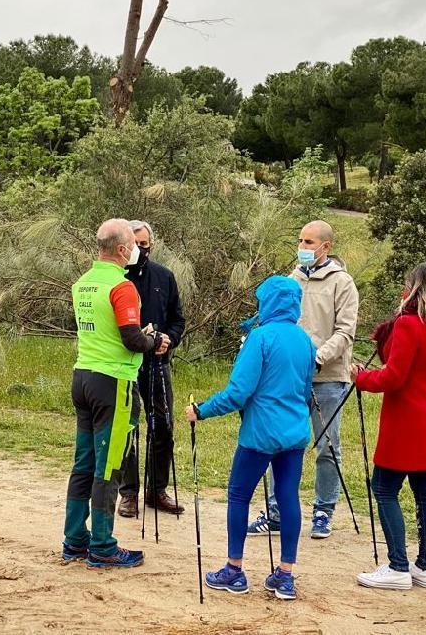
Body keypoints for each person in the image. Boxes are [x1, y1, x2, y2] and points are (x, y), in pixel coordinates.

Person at [185, 275, 317, 601]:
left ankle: (234, 569)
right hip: (295, 432)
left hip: (260, 434)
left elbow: (238, 393)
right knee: (288, 497)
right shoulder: (305, 340)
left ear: (267, 302)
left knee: (239, 494)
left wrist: (201, 410)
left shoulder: (259, 337)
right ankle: (285, 575)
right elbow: (304, 391)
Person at [62, 218, 169, 569]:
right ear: (123, 249)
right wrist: (155, 341)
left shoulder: (83, 283)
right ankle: (103, 546)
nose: (137, 250)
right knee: (109, 466)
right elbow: (131, 339)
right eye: (133, 245)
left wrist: (141, 336)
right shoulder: (122, 287)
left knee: (84, 462)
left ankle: (74, 540)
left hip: (83, 376)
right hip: (114, 381)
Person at [350, 261, 426, 590]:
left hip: (408, 419)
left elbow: (394, 377)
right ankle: (425, 567)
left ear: (416, 287)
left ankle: (398, 566)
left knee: (384, 488)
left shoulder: (409, 324)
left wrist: (362, 378)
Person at [248, 220, 359, 541]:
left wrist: (316, 358)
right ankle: (276, 512)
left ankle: (323, 511)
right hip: (289, 378)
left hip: (328, 377)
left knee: (327, 446)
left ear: (325, 247)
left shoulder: (343, 283)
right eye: (300, 241)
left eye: (309, 242)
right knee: (278, 441)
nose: (303, 247)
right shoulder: (290, 279)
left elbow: (345, 332)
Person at [118, 220, 186, 517]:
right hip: (126, 364)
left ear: (151, 245)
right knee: (128, 427)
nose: (140, 250)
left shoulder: (164, 276)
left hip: (158, 363)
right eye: (134, 245)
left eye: (144, 245)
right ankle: (128, 493)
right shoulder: (117, 277)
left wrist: (169, 339)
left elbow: (177, 318)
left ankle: (157, 489)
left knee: (163, 424)